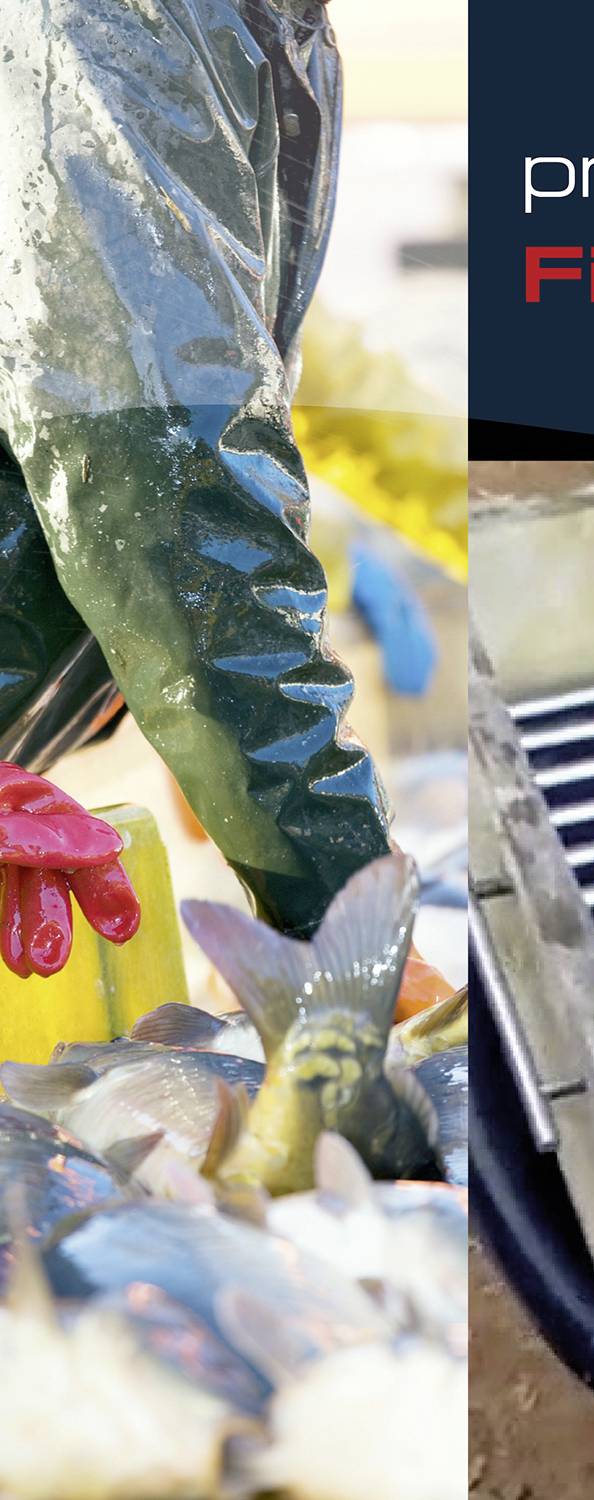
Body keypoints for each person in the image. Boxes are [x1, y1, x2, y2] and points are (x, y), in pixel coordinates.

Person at [0, 1, 434, 1000]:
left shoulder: (262, 35)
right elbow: (170, 496)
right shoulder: (114, 24)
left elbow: (237, 373)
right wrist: (353, 926)